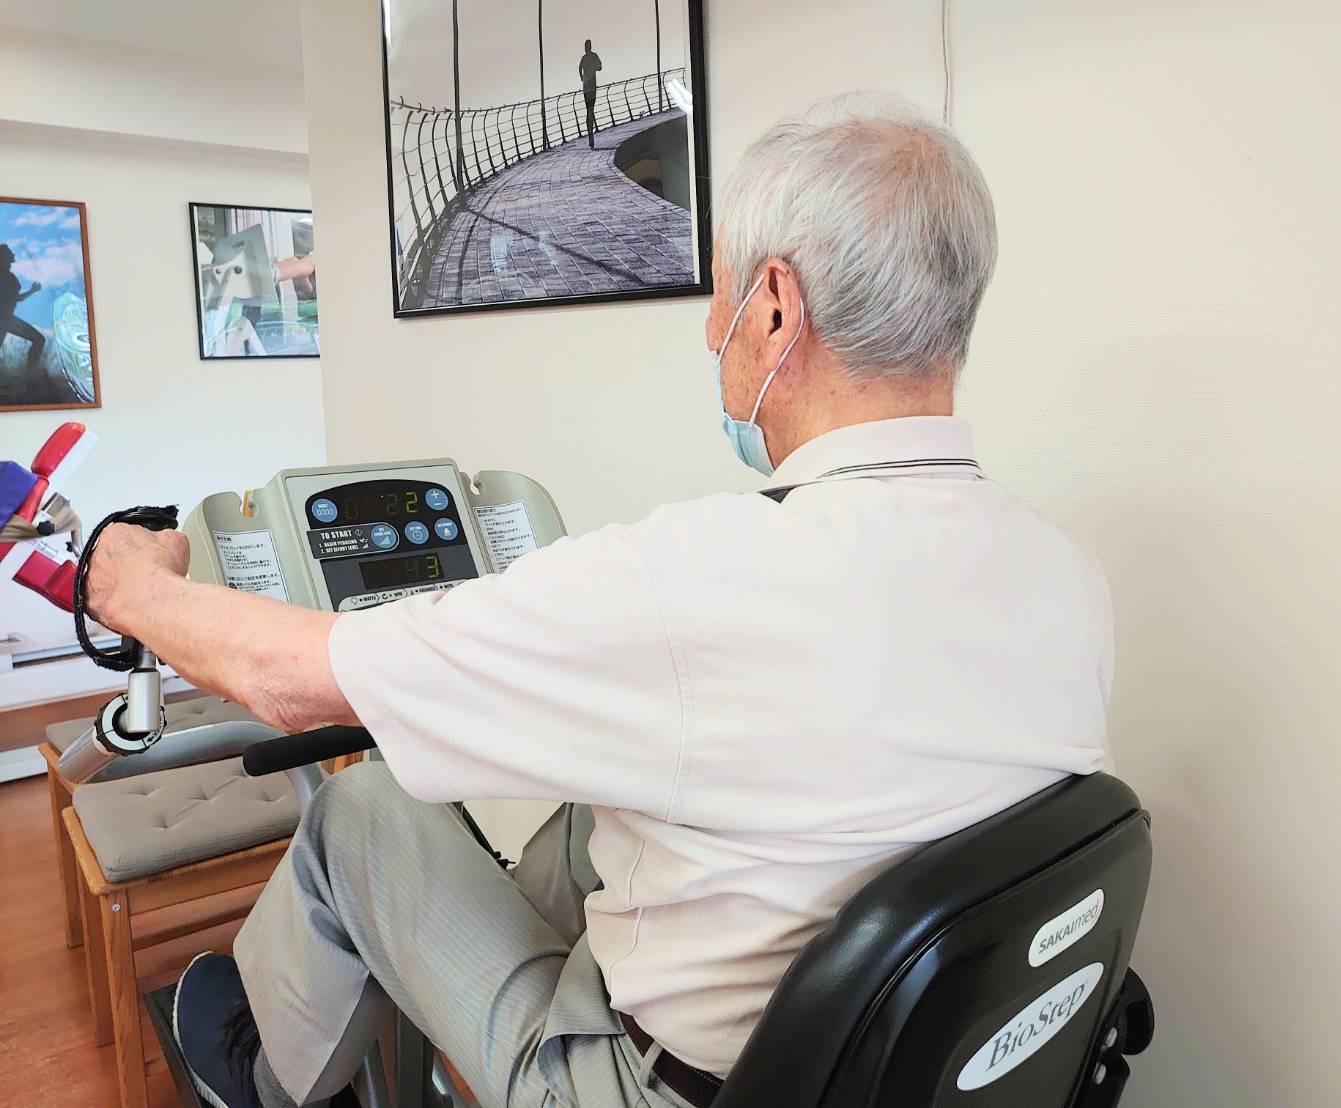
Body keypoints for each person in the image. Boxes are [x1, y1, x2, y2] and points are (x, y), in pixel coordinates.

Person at [85, 95, 1114, 1108]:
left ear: (773, 307)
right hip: (896, 1071)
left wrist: (135, 586)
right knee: (600, 805)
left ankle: (260, 1079)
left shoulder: (693, 574)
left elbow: (293, 680)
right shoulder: (1064, 573)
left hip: (657, 1090)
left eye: (720, 299)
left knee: (362, 805)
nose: (711, 333)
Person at [0, 244, 46, 377]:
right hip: (4, 319)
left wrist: (32, 291)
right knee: (39, 340)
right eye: (9, 254)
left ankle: (29, 375)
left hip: (7, 319)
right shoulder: (6, 277)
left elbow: (16, 298)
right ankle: (28, 375)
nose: (12, 256)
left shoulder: (10, 277)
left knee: (39, 340)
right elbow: (15, 298)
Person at [579, 39, 602, 149]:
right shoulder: (594, 56)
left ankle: (590, 134)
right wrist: (594, 67)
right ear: (591, 46)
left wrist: (582, 78)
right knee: (591, 110)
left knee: (588, 110)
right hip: (592, 87)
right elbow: (600, 68)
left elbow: (579, 68)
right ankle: (591, 135)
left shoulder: (583, 58)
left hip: (585, 88)